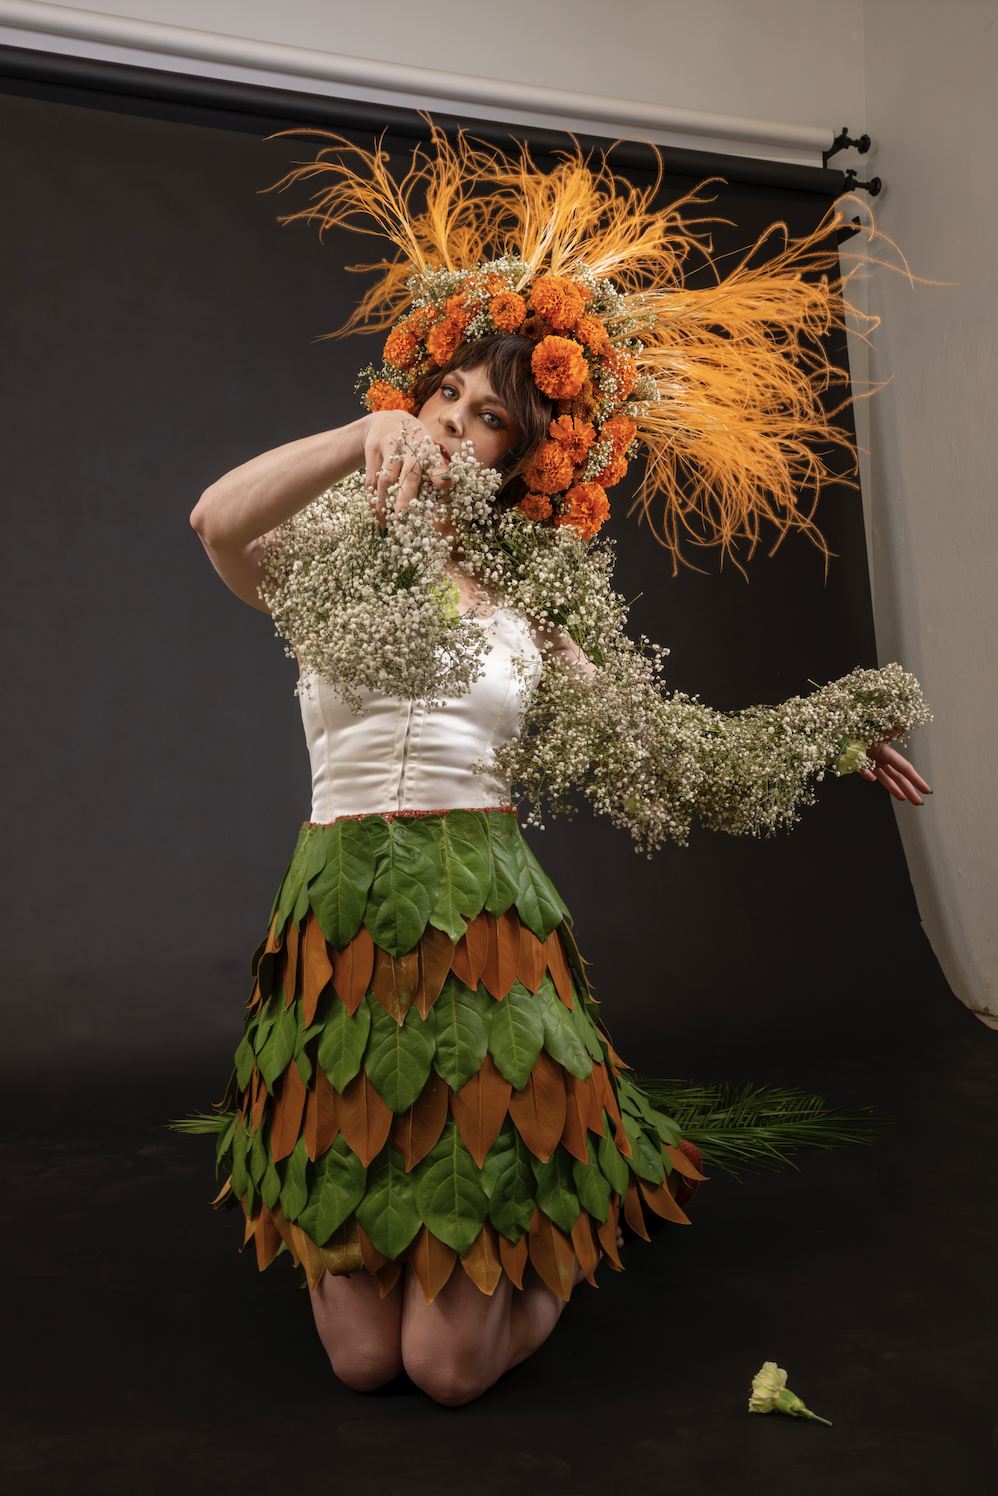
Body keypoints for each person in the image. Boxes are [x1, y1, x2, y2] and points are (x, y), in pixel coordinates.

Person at [187, 129, 930, 1407]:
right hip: (337, 926)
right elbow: (214, 520)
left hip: (482, 927)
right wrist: (358, 434)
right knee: (360, 1360)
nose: (456, 423)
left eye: (491, 419)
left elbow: (676, 754)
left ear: (521, 459)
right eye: (447, 395)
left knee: (445, 1369)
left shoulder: (534, 614)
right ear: (413, 395)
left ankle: (567, 1218)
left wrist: (826, 729)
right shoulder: (324, 566)